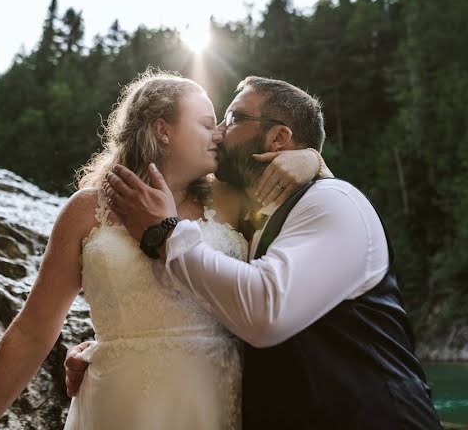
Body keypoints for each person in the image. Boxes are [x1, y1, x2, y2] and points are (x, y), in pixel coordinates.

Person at [0, 70, 325, 430]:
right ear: (162, 129)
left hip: (210, 404)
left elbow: (318, 234)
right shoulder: (86, 210)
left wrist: (314, 160)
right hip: (114, 402)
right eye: (206, 123)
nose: (219, 134)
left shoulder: (239, 202)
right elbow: (32, 331)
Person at [93, 76, 443, 429]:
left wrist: (165, 233)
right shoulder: (252, 220)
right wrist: (111, 350)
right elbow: (212, 305)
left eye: (235, 118)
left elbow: (263, 311)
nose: (219, 132)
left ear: (279, 138)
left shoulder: (333, 203)